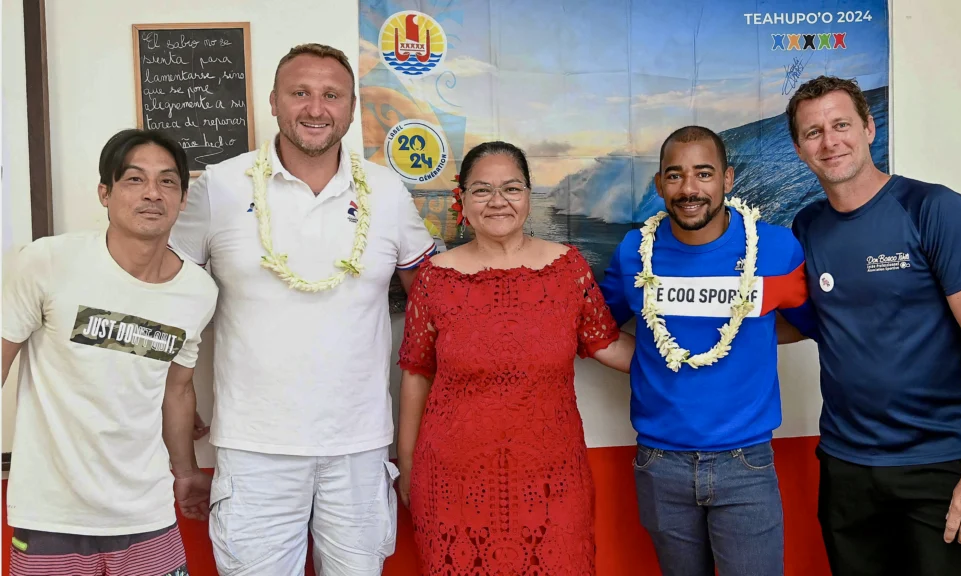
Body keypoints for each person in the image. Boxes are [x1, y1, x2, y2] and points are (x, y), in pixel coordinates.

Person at [168, 43, 436, 575]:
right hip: (253, 446)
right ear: (273, 101)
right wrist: (174, 399)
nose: (316, 109)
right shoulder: (219, 187)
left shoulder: (385, 190)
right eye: (300, 93)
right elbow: (169, 295)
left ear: (352, 108)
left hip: (360, 445)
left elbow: (435, 306)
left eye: (332, 95)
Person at [787, 75, 961, 575]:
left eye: (841, 124)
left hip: (940, 466)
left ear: (870, 128)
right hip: (846, 467)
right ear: (799, 149)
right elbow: (802, 319)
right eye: (813, 132)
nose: (830, 141)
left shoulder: (933, 209)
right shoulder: (807, 226)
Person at [395, 141, 635, 576]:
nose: (498, 201)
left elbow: (607, 344)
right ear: (462, 199)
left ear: (528, 196)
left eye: (511, 187)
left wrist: (689, 361)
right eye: (482, 190)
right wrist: (407, 466)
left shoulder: (568, 269)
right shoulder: (435, 279)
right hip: (452, 484)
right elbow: (416, 374)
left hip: (552, 482)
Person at [598, 126, 816, 576]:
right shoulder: (633, 252)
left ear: (727, 179)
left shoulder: (775, 249)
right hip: (660, 465)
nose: (689, 189)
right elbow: (598, 326)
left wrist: (746, 336)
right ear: (659, 185)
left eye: (704, 173)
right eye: (675, 176)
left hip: (745, 464)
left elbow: (810, 323)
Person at [1, 129, 218, 576]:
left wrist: (185, 472)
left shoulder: (197, 291)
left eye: (168, 182)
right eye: (134, 180)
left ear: (181, 198)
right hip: (50, 513)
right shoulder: (47, 262)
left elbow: (176, 393)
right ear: (105, 192)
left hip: (148, 512)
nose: (152, 194)